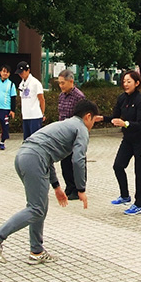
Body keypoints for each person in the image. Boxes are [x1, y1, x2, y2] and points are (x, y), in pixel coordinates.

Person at [0, 99, 99, 264]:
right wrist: (81, 188)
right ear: (88, 117)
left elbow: (47, 157)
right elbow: (78, 159)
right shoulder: (81, 129)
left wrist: (56, 187)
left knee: (39, 207)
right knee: (36, 209)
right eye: (94, 120)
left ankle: (36, 251)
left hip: (24, 156)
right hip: (35, 159)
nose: (92, 125)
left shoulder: (65, 124)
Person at [99, 70, 141, 215]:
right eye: (124, 81)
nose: (126, 84)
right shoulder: (122, 98)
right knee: (118, 166)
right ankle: (124, 195)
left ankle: (139, 204)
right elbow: (115, 117)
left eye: (129, 81)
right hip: (128, 139)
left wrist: (125, 123)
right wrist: (102, 118)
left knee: (139, 173)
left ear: (137, 83)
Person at [57, 69, 86, 200]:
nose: (61, 86)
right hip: (63, 134)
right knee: (65, 162)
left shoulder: (79, 97)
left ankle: (77, 188)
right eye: (59, 83)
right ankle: (69, 186)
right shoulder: (61, 96)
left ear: (71, 81)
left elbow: (83, 117)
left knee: (76, 161)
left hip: (75, 134)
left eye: (63, 83)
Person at [15, 61, 45, 139]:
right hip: (25, 115)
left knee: (35, 139)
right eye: (19, 73)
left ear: (28, 70)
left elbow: (41, 99)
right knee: (26, 140)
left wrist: (42, 113)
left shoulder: (35, 83)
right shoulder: (21, 84)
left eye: (22, 72)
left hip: (35, 115)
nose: (20, 74)